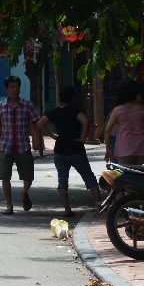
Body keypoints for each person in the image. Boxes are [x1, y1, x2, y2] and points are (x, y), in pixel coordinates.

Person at [37, 86, 101, 217]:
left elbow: (40, 123)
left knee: (62, 180)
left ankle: (67, 209)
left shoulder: (54, 112)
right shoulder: (75, 111)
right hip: (76, 148)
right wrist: (82, 138)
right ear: (72, 98)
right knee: (88, 176)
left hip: (60, 149)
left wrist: (52, 135)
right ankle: (99, 203)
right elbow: (85, 122)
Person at [0, 75, 41, 214]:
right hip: (5, 146)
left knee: (28, 176)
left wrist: (39, 144)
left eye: (17, 87)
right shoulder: (0, 106)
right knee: (5, 177)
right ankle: (9, 206)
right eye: (12, 87)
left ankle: (24, 192)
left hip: (23, 146)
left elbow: (37, 125)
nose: (15, 89)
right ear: (6, 89)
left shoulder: (27, 105)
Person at [103, 81, 144, 166]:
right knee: (143, 175)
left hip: (125, 148)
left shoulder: (117, 110)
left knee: (126, 177)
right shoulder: (143, 109)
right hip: (143, 148)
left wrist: (108, 149)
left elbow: (107, 130)